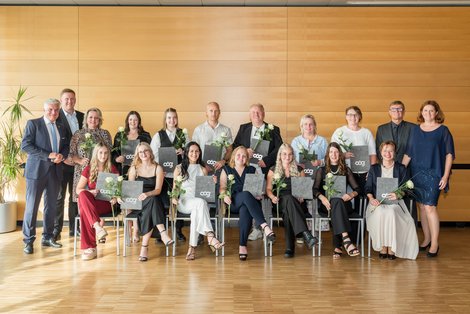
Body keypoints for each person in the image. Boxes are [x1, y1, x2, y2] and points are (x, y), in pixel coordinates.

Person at [402, 100, 455, 258]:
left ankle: (435, 243)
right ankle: (426, 239)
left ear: (437, 113)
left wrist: (445, 176)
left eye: (431, 110)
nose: (428, 113)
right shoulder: (415, 130)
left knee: (430, 207)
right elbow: (409, 153)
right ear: (421, 112)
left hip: (434, 174)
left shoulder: (443, 131)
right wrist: (398, 171)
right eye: (425, 110)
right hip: (416, 173)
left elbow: (449, 155)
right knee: (422, 208)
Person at [21, 98, 70, 254]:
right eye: (50, 109)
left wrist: (62, 155)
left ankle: (48, 237)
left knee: (52, 206)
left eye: (56, 109)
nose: (54, 112)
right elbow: (26, 145)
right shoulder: (33, 124)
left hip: (55, 172)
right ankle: (28, 241)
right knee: (32, 207)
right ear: (44, 109)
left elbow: (66, 146)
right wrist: (48, 155)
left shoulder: (61, 126)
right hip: (36, 172)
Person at [232, 103, 283, 241]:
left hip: (264, 169)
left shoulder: (273, 129)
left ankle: (261, 227)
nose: (256, 114)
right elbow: (235, 146)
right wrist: (244, 150)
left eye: (258, 112)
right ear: (250, 115)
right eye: (253, 112)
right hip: (247, 169)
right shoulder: (244, 128)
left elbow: (279, 149)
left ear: (263, 113)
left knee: (263, 196)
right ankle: (257, 228)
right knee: (250, 196)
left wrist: (266, 160)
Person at [219, 146, 276, 261]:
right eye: (238, 155)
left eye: (244, 156)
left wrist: (258, 194)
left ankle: (242, 246)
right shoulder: (226, 169)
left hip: (248, 203)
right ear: (233, 157)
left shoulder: (252, 170)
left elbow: (255, 189)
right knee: (245, 194)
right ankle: (264, 226)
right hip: (233, 202)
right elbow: (222, 187)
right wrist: (224, 195)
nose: (241, 158)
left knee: (245, 207)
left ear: (247, 158)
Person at [365, 141, 419, 260]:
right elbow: (368, 188)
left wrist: (398, 195)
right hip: (377, 203)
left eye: (390, 151)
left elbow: (407, 188)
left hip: (396, 203)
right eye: (385, 150)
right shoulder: (374, 169)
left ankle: (391, 247)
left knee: (390, 212)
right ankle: (383, 246)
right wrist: (371, 198)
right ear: (380, 152)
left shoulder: (401, 168)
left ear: (394, 153)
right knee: (381, 212)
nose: (387, 153)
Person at [172, 142, 224, 260]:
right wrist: (174, 197)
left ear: (199, 153)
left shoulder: (203, 169)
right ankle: (210, 236)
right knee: (200, 203)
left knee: (197, 210)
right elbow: (175, 188)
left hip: (199, 202)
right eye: (191, 151)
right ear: (186, 152)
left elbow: (206, 192)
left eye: (197, 151)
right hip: (184, 202)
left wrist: (213, 183)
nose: (194, 154)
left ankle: (192, 248)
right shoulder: (179, 168)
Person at [266, 144, 318, 258]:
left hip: (297, 203)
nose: (287, 156)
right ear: (280, 155)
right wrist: (272, 197)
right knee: (288, 201)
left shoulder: (299, 170)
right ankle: (306, 234)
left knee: (289, 208)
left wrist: (302, 195)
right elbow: (268, 189)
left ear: (293, 156)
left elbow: (303, 190)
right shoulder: (272, 170)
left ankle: (290, 248)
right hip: (278, 202)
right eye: (284, 154)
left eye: (290, 154)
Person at [126, 142, 174, 262]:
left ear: (150, 152)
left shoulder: (158, 168)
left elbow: (157, 190)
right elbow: (131, 190)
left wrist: (147, 194)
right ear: (137, 154)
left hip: (152, 198)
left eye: (145, 151)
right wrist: (139, 197)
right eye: (140, 152)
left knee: (152, 201)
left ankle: (144, 247)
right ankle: (163, 233)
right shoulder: (134, 169)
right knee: (153, 203)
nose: (143, 154)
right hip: (138, 201)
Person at [313, 142, 361, 259]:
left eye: (336, 152)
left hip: (344, 203)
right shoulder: (322, 170)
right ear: (327, 154)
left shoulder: (346, 170)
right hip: (327, 204)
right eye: (331, 152)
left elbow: (358, 189)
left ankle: (338, 245)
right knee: (335, 202)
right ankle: (346, 241)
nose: (333, 154)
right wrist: (322, 197)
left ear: (340, 154)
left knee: (337, 202)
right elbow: (314, 189)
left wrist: (351, 195)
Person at [150, 108, 189, 242]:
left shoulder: (183, 134)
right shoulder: (158, 135)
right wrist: (159, 168)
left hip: (178, 176)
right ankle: (162, 232)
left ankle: (178, 230)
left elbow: (191, 153)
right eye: (169, 118)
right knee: (161, 202)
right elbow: (152, 155)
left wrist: (183, 151)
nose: (172, 120)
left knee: (178, 201)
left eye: (174, 118)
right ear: (165, 120)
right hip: (164, 175)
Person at [75, 143, 119, 260]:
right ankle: (97, 226)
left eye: (105, 153)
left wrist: (115, 197)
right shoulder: (88, 169)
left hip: (105, 203)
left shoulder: (112, 169)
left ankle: (90, 248)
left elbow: (117, 190)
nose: (103, 155)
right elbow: (78, 189)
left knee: (84, 207)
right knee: (83, 194)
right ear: (96, 153)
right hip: (92, 202)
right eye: (100, 152)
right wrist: (91, 192)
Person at [53, 88, 84, 240]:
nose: (69, 101)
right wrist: (64, 157)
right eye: (66, 99)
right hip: (61, 164)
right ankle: (56, 231)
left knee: (75, 197)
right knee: (59, 197)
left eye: (72, 99)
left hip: (78, 165)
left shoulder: (82, 116)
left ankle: (75, 229)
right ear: (61, 100)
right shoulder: (56, 116)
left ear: (75, 100)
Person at [69, 108, 113, 205]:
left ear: (100, 120)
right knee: (83, 201)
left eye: (96, 118)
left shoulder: (105, 133)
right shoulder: (78, 134)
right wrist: (79, 160)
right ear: (86, 119)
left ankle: (96, 219)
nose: (93, 120)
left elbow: (109, 152)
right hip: (82, 173)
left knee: (99, 200)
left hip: (100, 173)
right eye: (91, 117)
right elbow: (71, 154)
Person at [331, 105, 377, 192]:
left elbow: (373, 154)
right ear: (346, 117)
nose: (353, 117)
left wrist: (371, 172)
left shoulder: (366, 132)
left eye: (356, 114)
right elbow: (331, 152)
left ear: (360, 117)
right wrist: (343, 155)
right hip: (343, 170)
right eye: (350, 115)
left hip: (363, 172)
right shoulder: (339, 132)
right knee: (341, 196)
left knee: (362, 196)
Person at [192, 101, 233, 172]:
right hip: (202, 168)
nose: (213, 113)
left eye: (216, 111)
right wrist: (202, 164)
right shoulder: (198, 129)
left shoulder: (226, 130)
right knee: (203, 183)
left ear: (219, 113)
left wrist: (223, 161)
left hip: (220, 168)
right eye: (211, 111)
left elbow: (229, 150)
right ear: (206, 113)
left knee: (221, 183)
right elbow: (193, 150)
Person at [112, 110, 151, 177]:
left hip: (140, 170)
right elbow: (113, 151)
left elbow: (150, 153)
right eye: (130, 119)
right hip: (122, 170)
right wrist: (116, 159)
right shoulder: (120, 135)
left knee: (137, 187)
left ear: (139, 121)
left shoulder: (145, 136)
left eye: (135, 120)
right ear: (127, 121)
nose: (133, 122)